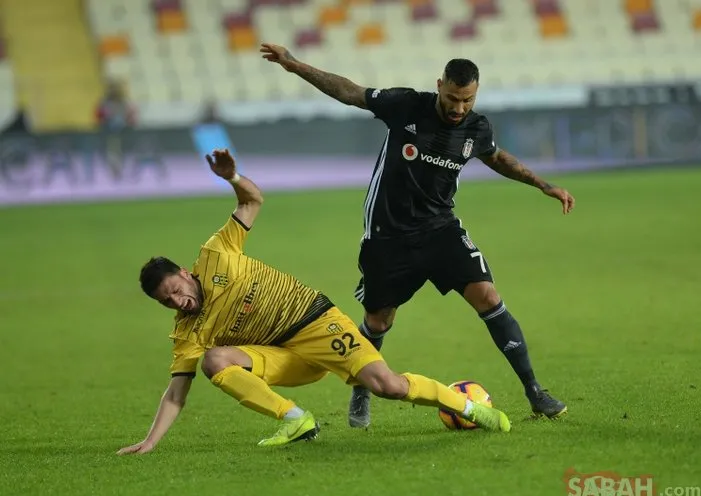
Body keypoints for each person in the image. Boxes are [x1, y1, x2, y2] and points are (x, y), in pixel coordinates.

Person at [259, 43, 575, 429]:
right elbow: (350, 92)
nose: (459, 108)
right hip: (388, 236)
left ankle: (535, 392)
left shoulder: (477, 127)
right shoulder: (407, 105)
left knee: (488, 296)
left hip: (440, 229)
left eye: (468, 100)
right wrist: (293, 65)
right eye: (453, 98)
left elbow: (497, 157)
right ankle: (361, 388)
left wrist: (542, 185)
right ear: (439, 85)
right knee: (378, 321)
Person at [117, 149, 511, 455]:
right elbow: (175, 394)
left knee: (387, 386)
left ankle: (471, 409)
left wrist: (232, 178)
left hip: (316, 324)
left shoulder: (217, 253)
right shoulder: (188, 332)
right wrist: (150, 442)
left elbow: (252, 201)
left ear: (186, 273)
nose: (177, 302)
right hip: (284, 356)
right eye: (166, 302)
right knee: (215, 360)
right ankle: (295, 419)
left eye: (174, 290)